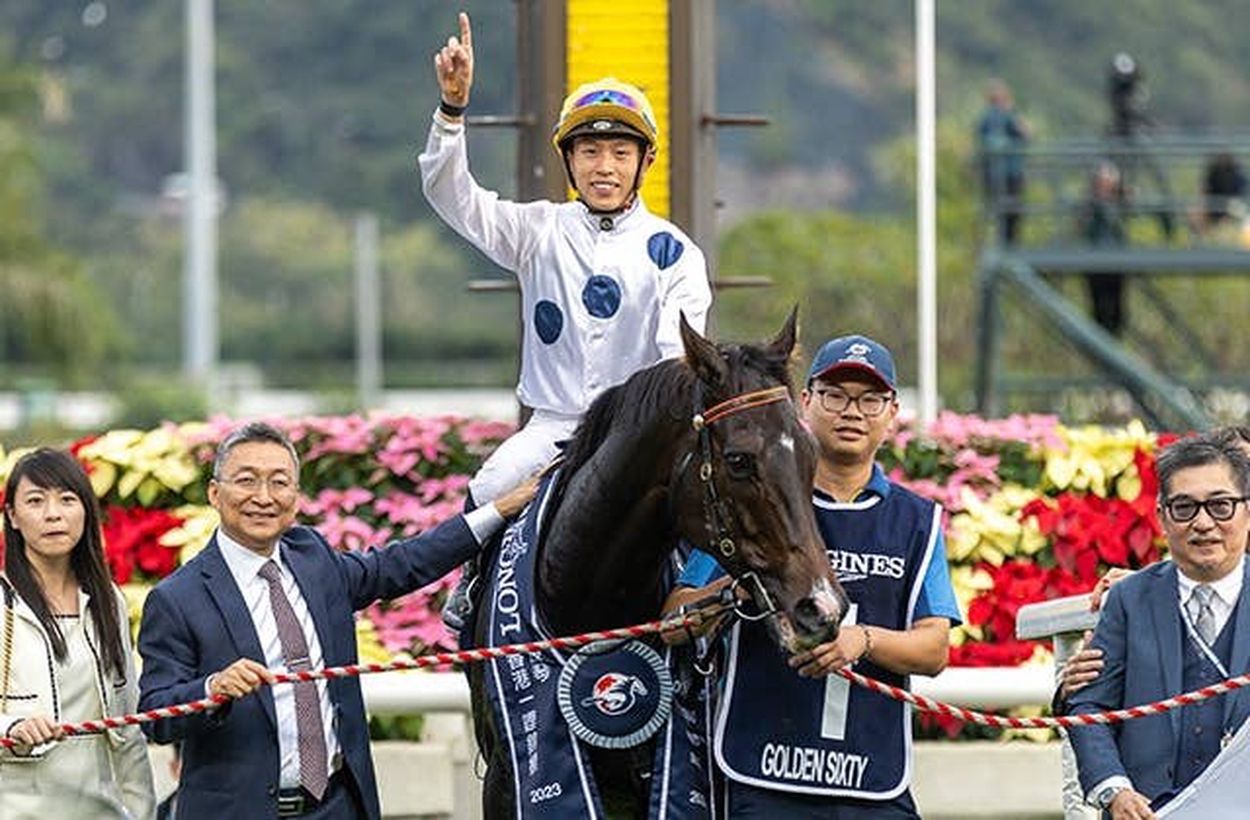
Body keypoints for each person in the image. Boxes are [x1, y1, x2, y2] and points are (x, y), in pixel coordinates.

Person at [419, 11, 712, 631]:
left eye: (619, 151)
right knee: (491, 480)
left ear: (643, 161)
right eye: (589, 151)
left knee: (702, 507)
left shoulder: (676, 251)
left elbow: (674, 359)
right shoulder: (537, 230)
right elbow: (453, 197)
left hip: (639, 435)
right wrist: (452, 111)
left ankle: (695, 606)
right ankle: (475, 588)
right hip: (551, 430)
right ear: (569, 160)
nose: (604, 166)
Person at [136, 422, 536, 820]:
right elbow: (155, 716)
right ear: (214, 493)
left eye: (279, 482)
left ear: (295, 497)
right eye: (246, 480)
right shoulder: (176, 599)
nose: (263, 497)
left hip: (336, 805)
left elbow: (403, 564)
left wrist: (497, 511)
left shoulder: (313, 559)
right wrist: (212, 688)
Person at [664, 334, 962, 818]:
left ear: (891, 414)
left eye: (870, 399)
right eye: (835, 395)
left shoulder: (917, 521)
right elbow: (674, 616)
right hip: (761, 777)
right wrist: (733, 594)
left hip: (873, 784)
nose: (852, 412)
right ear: (804, 402)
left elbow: (933, 650)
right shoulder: (757, 500)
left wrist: (859, 642)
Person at [1068, 434, 1250, 818]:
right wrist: (1114, 791)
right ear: (1162, 516)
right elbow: (1089, 705)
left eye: (1221, 505)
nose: (1203, 523)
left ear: (1247, 511)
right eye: (1184, 507)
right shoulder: (1128, 599)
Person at [0, 448, 156, 819]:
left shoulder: (108, 602)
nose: (53, 514)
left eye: (67, 499)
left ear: (86, 511)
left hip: (101, 811)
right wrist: (14, 725)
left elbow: (128, 730)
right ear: (13, 517)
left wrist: (142, 811)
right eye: (35, 501)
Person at [976, 78, 1030, 245]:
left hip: (1012, 173)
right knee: (1002, 210)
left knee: (1012, 212)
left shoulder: (1011, 116)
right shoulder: (988, 119)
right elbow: (986, 142)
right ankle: (1005, 242)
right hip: (998, 174)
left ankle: (1010, 242)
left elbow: (1026, 134)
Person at [1078, 161, 1129, 337]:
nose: (1105, 187)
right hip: (1095, 264)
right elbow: (1082, 227)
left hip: (1116, 264)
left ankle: (1114, 341)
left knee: (1117, 311)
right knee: (1098, 310)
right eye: (1102, 182)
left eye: (1109, 183)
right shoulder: (1089, 205)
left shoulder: (1120, 204)